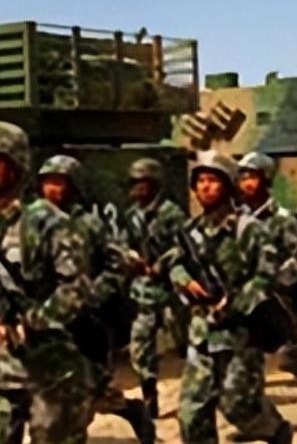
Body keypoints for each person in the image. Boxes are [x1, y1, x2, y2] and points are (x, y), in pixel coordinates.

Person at [0, 123, 95, 444]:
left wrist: (33, 321)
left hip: (49, 371)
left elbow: (77, 288)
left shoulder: (48, 221)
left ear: (16, 165)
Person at [171, 150, 294, 444]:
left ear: (228, 186)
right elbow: (174, 263)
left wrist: (234, 302)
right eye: (200, 181)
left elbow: (267, 274)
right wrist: (185, 281)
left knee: (238, 405)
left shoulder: (247, 229)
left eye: (213, 180)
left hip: (241, 332)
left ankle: (276, 431)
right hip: (203, 332)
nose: (205, 187)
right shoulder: (190, 231)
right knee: (191, 413)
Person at [36, 155, 154, 444]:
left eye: (60, 182)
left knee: (88, 388)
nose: (52, 189)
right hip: (48, 316)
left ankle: (129, 410)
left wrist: (92, 295)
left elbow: (118, 264)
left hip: (85, 322)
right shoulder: (34, 223)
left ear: (74, 186)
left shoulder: (90, 224)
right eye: (48, 182)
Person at [235, 152, 297, 408]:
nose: (246, 183)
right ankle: (254, 410)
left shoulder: (282, 219)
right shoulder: (237, 218)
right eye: (243, 177)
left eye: (252, 177)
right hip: (246, 296)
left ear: (265, 179)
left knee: (291, 353)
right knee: (246, 353)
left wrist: (277, 283)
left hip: (279, 297)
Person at [117, 157, 189, 422]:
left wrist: (164, 263)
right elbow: (123, 243)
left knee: (189, 342)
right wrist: (129, 258)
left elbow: (185, 245)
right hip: (145, 289)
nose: (136, 187)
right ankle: (149, 396)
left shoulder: (172, 214)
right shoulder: (132, 215)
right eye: (133, 182)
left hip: (173, 287)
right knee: (141, 344)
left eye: (142, 182)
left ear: (154, 184)